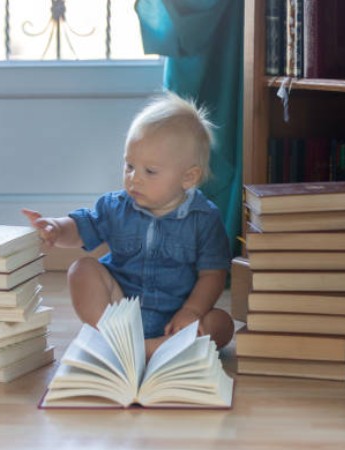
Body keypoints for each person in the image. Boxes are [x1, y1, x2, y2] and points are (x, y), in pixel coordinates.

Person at [22, 91, 234, 358]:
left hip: (176, 317)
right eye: (129, 165)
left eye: (150, 171)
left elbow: (212, 275)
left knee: (222, 325)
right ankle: (114, 338)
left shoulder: (204, 218)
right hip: (120, 310)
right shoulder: (115, 207)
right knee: (81, 269)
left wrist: (192, 311)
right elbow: (81, 227)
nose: (134, 178)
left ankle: (156, 347)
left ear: (188, 177)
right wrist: (55, 228)